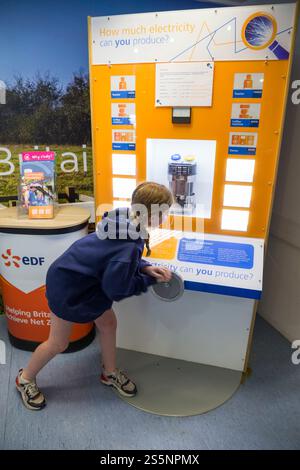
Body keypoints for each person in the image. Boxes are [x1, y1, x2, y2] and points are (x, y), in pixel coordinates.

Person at [16, 182, 173, 410]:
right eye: (166, 212)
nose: (167, 217)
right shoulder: (129, 244)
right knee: (58, 343)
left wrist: (144, 267)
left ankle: (109, 373)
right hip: (70, 288)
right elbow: (117, 288)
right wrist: (149, 279)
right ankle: (25, 379)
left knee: (108, 323)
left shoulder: (123, 219)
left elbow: (112, 258)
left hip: (79, 280)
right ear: (154, 214)